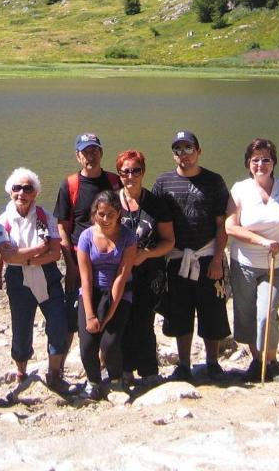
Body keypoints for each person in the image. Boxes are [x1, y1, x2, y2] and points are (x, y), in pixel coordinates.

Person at [152, 130, 231, 382]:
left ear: (199, 151)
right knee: (180, 313)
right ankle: (183, 364)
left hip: (207, 255)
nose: (183, 154)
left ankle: (212, 362)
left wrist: (218, 258)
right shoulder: (163, 183)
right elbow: (154, 220)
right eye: (178, 150)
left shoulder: (214, 181)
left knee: (213, 311)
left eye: (188, 148)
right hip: (176, 258)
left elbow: (222, 224)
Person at [225, 138, 279, 382]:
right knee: (246, 314)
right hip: (244, 262)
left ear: (274, 163)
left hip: (278, 262)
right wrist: (262, 241)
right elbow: (230, 227)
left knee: (267, 312)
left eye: (266, 159)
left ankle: (272, 361)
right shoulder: (240, 190)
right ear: (248, 163)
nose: (260, 164)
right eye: (255, 160)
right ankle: (257, 360)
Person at [0, 167, 69, 393]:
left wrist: (24, 257)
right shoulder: (2, 221)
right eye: (17, 188)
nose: (22, 193)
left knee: (58, 322)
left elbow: (55, 253)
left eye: (28, 188)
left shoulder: (46, 216)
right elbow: (6, 256)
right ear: (10, 192)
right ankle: (21, 371)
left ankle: (54, 373)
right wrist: (37, 249)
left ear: (35, 193)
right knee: (21, 326)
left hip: (48, 275)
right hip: (18, 280)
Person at [54, 132, 122, 358]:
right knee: (72, 317)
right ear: (77, 156)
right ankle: (59, 368)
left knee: (108, 310)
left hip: (109, 261)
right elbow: (62, 227)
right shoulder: (70, 185)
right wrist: (70, 266)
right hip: (78, 260)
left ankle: (104, 362)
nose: (90, 155)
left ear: (101, 153)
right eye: (85, 152)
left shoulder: (114, 182)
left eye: (94, 150)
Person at [115, 149, 175, 385]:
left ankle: (149, 371)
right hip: (119, 272)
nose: (131, 176)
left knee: (144, 320)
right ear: (119, 174)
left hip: (148, 272)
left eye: (135, 170)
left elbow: (169, 241)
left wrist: (145, 254)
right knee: (122, 320)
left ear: (143, 172)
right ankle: (124, 369)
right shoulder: (110, 200)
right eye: (125, 171)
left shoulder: (155, 203)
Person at [76, 190, 138, 399]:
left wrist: (108, 314)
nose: (105, 219)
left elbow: (122, 276)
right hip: (90, 292)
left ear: (119, 213)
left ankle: (116, 380)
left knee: (109, 343)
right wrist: (91, 315)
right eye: (101, 214)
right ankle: (93, 381)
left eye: (110, 214)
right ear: (94, 214)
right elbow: (85, 278)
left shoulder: (128, 237)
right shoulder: (86, 237)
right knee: (87, 344)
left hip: (119, 294)